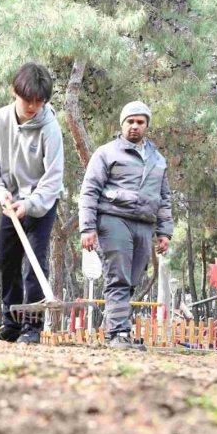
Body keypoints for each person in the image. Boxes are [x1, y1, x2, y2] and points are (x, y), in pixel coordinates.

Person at [0, 62, 64, 344]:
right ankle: (11, 324)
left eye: (40, 101)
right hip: (9, 201)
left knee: (35, 263)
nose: (34, 107)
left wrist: (31, 204)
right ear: (14, 92)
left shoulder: (50, 128)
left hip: (41, 203)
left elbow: (53, 179)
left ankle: (32, 327)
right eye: (29, 100)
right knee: (7, 261)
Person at [78, 101, 173, 350]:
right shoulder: (107, 153)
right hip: (113, 218)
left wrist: (165, 232)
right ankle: (118, 332)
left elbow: (164, 198)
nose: (134, 126)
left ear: (147, 125)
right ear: (122, 124)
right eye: (130, 121)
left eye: (140, 122)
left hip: (144, 223)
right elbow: (89, 190)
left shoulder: (158, 160)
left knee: (132, 279)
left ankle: (117, 329)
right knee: (118, 275)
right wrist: (87, 227)